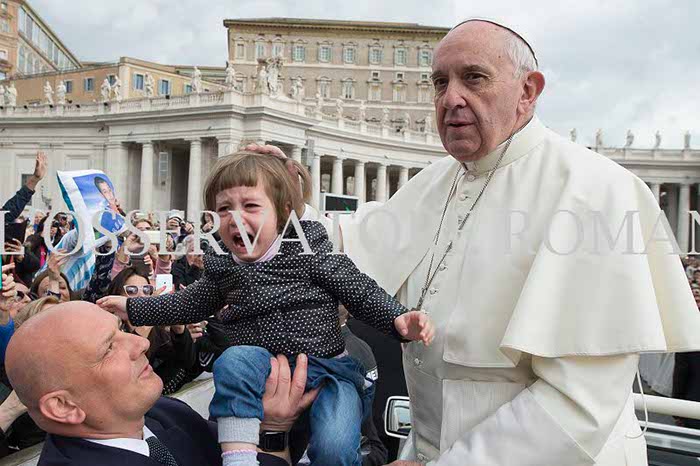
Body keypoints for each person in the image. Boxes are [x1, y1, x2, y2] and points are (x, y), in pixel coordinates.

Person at [249, 18, 700, 466]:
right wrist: (277, 203)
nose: (451, 98)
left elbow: (578, 404)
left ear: (528, 91)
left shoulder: (596, 192)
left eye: (474, 78)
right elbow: (342, 248)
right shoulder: (434, 183)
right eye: (440, 83)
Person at [98, 151, 434, 466]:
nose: (236, 218)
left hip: (328, 369)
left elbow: (357, 289)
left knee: (335, 446)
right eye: (224, 209)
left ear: (283, 212)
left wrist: (396, 318)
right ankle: (239, 457)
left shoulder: (311, 252)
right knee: (232, 361)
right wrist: (133, 308)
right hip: (259, 367)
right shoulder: (223, 266)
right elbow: (189, 303)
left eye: (250, 206)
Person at [5, 302, 313, 466]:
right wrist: (275, 432)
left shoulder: (162, 412)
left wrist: (272, 429)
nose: (140, 343)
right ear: (63, 406)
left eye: (121, 329)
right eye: (109, 348)